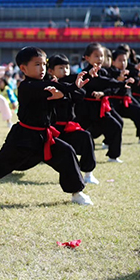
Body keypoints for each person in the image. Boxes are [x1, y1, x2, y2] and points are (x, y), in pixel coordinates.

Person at [0, 47, 93, 206]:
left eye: (44, 64)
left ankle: (76, 192)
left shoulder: (47, 83)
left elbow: (76, 95)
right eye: (37, 64)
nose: (42, 68)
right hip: (23, 139)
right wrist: (68, 89)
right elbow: (56, 89)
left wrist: (71, 88)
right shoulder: (26, 86)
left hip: (44, 137)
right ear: (23, 68)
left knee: (67, 153)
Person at [47, 54, 99, 185]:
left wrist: (71, 88)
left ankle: (88, 173)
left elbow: (81, 95)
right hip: (52, 130)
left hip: (69, 128)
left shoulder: (72, 83)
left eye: (67, 67)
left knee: (86, 137)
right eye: (61, 68)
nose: (65, 70)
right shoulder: (47, 86)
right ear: (50, 71)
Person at [76, 43, 126, 163]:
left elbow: (111, 87)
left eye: (101, 56)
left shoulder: (104, 72)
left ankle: (113, 156)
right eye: (96, 56)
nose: (100, 59)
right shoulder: (83, 73)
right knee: (78, 132)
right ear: (87, 58)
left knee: (116, 126)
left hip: (100, 109)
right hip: (84, 109)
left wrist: (103, 93)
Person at [106, 49, 140, 145]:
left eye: (125, 60)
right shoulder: (109, 72)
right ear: (113, 62)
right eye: (120, 60)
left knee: (139, 112)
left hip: (125, 102)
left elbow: (134, 74)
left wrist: (139, 75)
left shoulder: (128, 72)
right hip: (111, 103)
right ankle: (107, 142)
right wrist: (118, 80)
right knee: (111, 123)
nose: (123, 62)